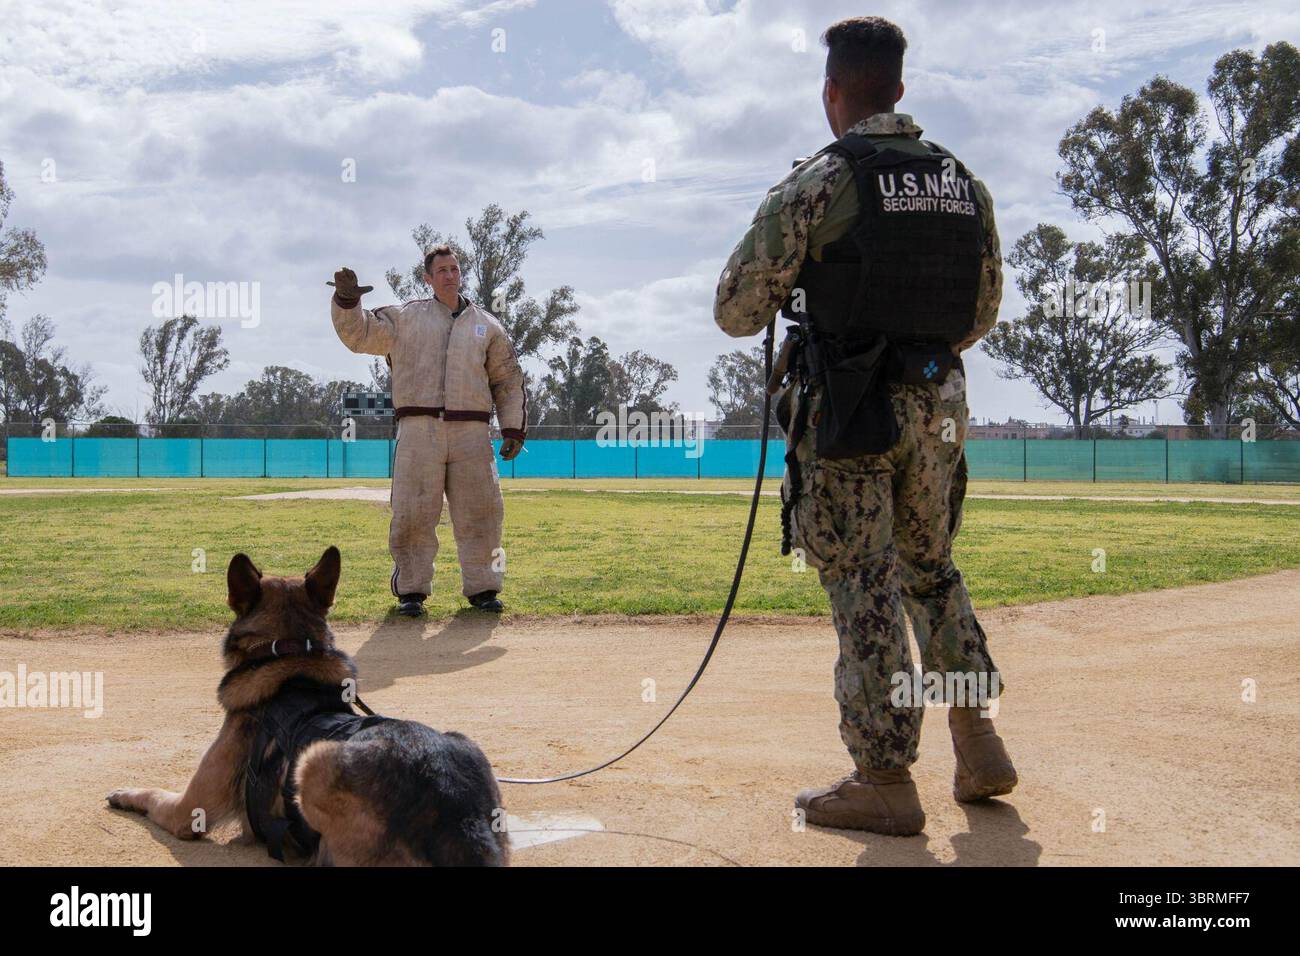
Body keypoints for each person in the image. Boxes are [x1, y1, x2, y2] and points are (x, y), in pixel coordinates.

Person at [713, 16, 1016, 835]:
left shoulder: (821, 180)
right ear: (902, 91)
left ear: (832, 93)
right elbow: (981, 310)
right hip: (940, 405)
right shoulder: (963, 182)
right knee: (930, 569)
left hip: (854, 409)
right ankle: (975, 736)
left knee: (864, 582)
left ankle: (883, 776)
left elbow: (737, 309)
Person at [329, 245, 526, 616]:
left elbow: (507, 380)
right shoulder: (406, 318)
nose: (449, 275)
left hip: (472, 431)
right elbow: (361, 335)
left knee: (483, 512)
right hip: (419, 429)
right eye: (442, 270)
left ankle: (484, 589)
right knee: (413, 511)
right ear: (428, 278)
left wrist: (513, 427)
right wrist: (346, 299)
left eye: (454, 269)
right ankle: (411, 592)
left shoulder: (487, 325)